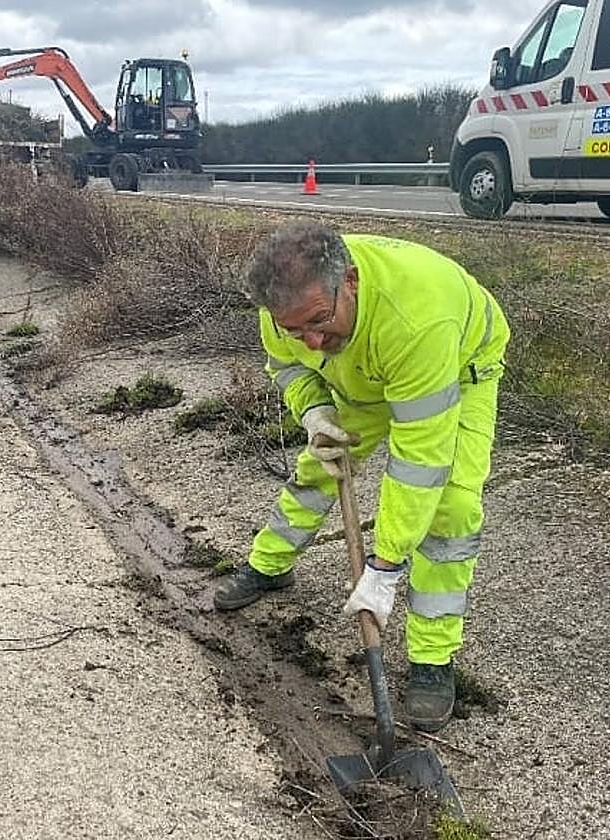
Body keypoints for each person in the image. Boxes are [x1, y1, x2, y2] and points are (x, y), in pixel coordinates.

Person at [214, 221, 510, 733]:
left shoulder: (417, 319)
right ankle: (269, 564)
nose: (309, 338)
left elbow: (420, 460)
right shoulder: (287, 310)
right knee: (321, 466)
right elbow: (286, 366)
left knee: (451, 510)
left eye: (318, 321)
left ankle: (433, 660)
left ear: (348, 280)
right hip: (364, 369)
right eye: (293, 328)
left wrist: (385, 564)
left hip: (456, 368)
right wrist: (313, 411)